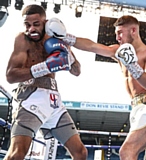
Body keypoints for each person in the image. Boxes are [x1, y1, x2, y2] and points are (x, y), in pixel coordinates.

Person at [46, 15, 146, 160]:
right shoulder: (118, 51)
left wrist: (133, 66)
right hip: (137, 107)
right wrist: (66, 37)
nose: (117, 38)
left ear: (133, 30)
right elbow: (92, 46)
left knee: (127, 152)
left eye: (120, 32)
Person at [4, 4, 87, 160]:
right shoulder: (22, 39)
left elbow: (76, 71)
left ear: (45, 22)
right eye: (27, 25)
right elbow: (10, 76)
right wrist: (43, 67)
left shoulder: (55, 37)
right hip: (31, 96)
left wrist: (67, 54)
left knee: (81, 153)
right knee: (16, 154)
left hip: (54, 100)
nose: (31, 29)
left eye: (36, 24)